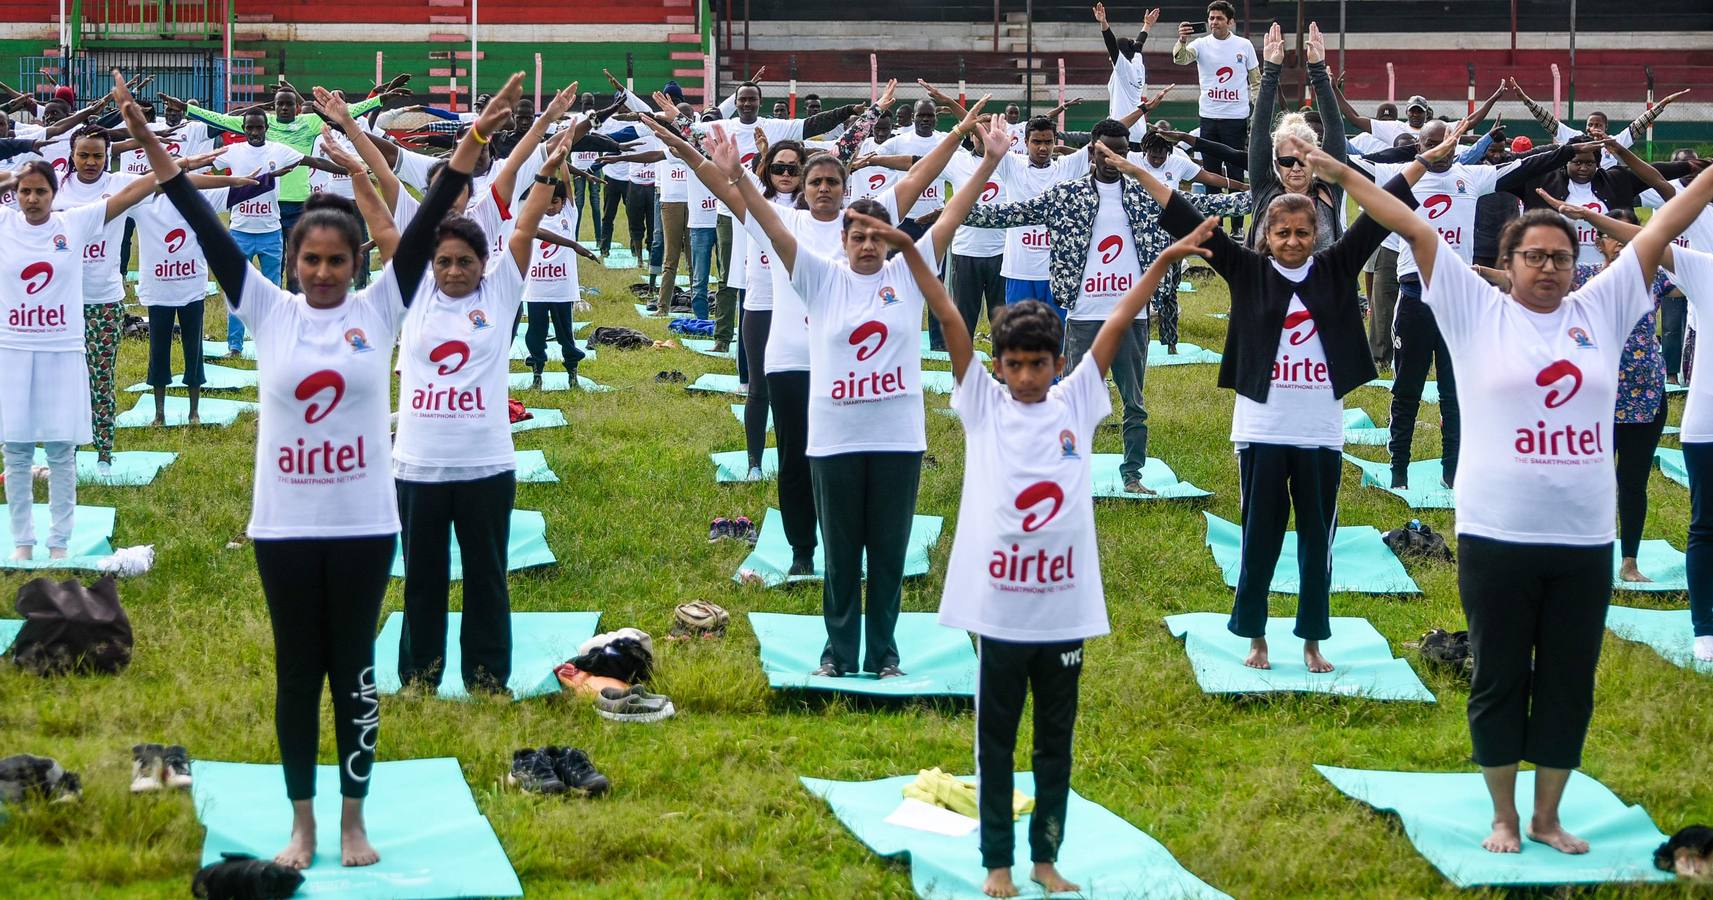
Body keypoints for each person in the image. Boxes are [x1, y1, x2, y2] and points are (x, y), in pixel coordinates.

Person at [124, 67, 514, 870]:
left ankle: (353, 820)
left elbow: (438, 205)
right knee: (299, 674)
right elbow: (205, 224)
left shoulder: (384, 305)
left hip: (367, 523)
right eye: (313, 260)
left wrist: (476, 141)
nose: (327, 272)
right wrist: (153, 149)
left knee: (356, 674)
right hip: (285, 526)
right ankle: (301, 822)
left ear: (356, 263)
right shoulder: (264, 308)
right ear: (294, 262)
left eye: (340, 260)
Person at [1353, 119, 1713, 855]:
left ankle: (1547, 815)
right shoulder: (1474, 309)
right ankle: (1503, 817)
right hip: (1495, 535)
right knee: (1497, 677)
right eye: (1532, 257)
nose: (1547, 267)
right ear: (1506, 263)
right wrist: (1333, 167)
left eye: (1558, 256)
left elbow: (1668, 216)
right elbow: (1403, 222)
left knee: (1567, 683)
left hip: (1583, 539)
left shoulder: (1603, 309)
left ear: (1575, 262)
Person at [937, 206, 1214, 896]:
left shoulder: (1076, 400)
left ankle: (1044, 860)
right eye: (1013, 364)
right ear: (995, 366)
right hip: (999, 613)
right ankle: (998, 865)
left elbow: (1117, 322)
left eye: (1037, 364)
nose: (1026, 376)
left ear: (1058, 364)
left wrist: (1164, 258)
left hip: (1062, 614)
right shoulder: (983, 405)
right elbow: (947, 319)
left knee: (1054, 745)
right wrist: (914, 255)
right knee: (995, 744)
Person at [717, 110, 1012, 679]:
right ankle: (837, 653)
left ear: (892, 240)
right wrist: (739, 178)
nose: (868, 246)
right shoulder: (819, 276)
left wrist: (992, 160)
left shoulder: (909, 275)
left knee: (889, 557)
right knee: (841, 556)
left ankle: (884, 654)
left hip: (898, 442)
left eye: (879, 237)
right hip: (834, 443)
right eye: (858, 237)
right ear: (844, 241)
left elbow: (952, 213)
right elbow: (770, 224)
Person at [1131, 129, 1437, 671]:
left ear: (1316, 232)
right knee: (1259, 540)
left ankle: (1313, 640)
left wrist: (1422, 165)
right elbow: (1181, 212)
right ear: (1265, 235)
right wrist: (1135, 171)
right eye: (1282, 233)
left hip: (1320, 430)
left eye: (1302, 232)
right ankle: (1255, 636)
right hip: (1262, 431)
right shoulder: (1248, 271)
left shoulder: (1335, 267)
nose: (1293, 241)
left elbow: (1376, 218)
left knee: (1318, 544)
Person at [374, 109, 574, 696]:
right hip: (417, 467)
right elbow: (382, 218)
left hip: (487, 466)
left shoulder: (504, 287)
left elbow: (528, 221)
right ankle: (419, 678)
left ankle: (488, 678)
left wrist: (550, 164)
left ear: (485, 264)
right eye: (444, 262)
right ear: (428, 265)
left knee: (488, 577)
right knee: (424, 579)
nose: (455, 270)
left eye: (465, 261)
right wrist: (355, 160)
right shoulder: (412, 294)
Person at [961, 119, 1250, 495]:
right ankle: (1066, 472)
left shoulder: (1147, 196)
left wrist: (1265, 193)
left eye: (1121, 151)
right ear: (1092, 151)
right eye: (1105, 151)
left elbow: (1202, 204)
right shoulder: (1069, 196)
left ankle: (1132, 476)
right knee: (1072, 402)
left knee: (1134, 402)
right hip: (1083, 316)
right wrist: (952, 213)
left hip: (1132, 317)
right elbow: (1005, 215)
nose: (1113, 158)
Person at [1361, 120, 1581, 491]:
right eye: (1432, 144)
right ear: (1418, 146)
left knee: (1455, 391)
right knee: (1406, 389)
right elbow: (1346, 163)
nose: (1441, 150)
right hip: (1414, 297)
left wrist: (1571, 149)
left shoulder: (1471, 176)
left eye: (1447, 143)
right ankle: (1399, 468)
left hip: (1459, 300)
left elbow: (1525, 166)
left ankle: (1452, 472)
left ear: (1456, 143)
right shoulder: (1395, 174)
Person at [0, 158, 153, 560]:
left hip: (61, 351)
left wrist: (177, 163)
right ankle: (22, 541)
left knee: (60, 451)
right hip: (14, 351)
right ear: (15, 194)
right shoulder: (4, 224)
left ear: (55, 194)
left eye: (41, 191)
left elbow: (132, 192)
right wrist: (9, 175)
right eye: (25, 191)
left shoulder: (73, 224)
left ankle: (58, 541)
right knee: (16, 452)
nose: (32, 199)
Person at [1509, 202, 1668, 584]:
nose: (1619, 241)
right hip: (1593, 399)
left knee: (1632, 482)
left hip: (1646, 396)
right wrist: (1480, 272)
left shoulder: (1656, 277)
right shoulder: (1581, 277)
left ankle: (1629, 561)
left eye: (1626, 233)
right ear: (1599, 241)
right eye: (1611, 234)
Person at [160, 85, 398, 290]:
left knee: (297, 261)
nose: (284, 108)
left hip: (298, 205)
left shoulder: (310, 123)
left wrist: (379, 100)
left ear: (296, 107)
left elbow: (348, 113)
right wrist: (185, 107)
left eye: (288, 104)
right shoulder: (262, 124)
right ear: (274, 107)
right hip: (267, 207)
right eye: (280, 104)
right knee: (274, 262)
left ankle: (294, 302)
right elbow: (219, 119)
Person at [133, 163, 279, 425]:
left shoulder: (199, 198)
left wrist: (268, 176)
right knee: (158, 352)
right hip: (157, 292)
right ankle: (159, 413)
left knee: (194, 350)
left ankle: (194, 412)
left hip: (191, 289)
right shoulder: (142, 203)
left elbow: (242, 191)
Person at [1171, 0, 1258, 224]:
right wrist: (1182, 40)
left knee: (1236, 172)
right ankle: (1215, 225)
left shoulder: (1244, 45)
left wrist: (1257, 111)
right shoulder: (1200, 44)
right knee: (1210, 173)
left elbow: (1256, 81)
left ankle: (1237, 227)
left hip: (1236, 118)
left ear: (1230, 22)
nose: (1214, 22)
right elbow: (1180, 59)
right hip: (1208, 118)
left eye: (1219, 18)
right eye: (1211, 18)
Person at [1093, 3, 1160, 142]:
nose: (1109, 56)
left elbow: (1110, 43)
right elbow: (1138, 45)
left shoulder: (1123, 69)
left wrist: (1104, 23)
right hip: (1138, 130)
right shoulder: (1137, 64)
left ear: (1119, 55)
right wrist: (1147, 25)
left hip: (1122, 132)